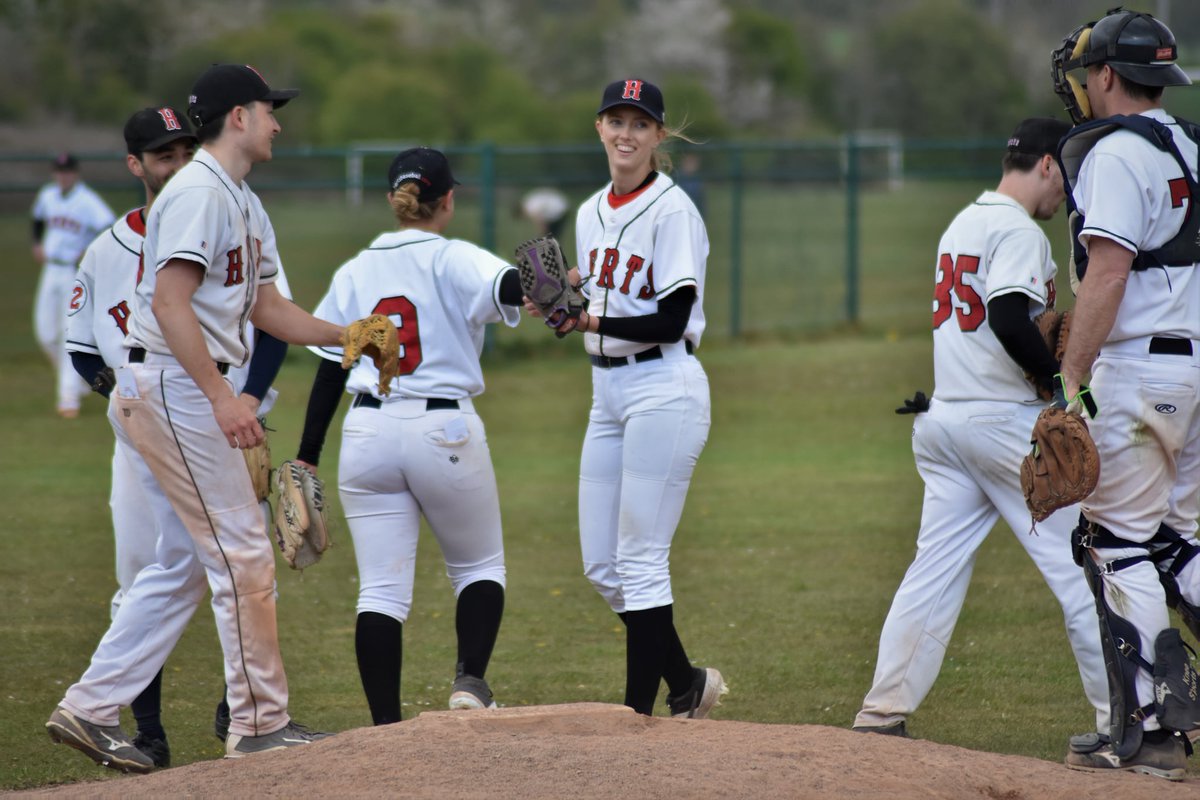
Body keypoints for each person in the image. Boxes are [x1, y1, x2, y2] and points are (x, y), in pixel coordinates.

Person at [46, 63, 347, 773]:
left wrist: (346, 334)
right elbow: (172, 304)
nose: (277, 121)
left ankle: (88, 707)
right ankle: (258, 724)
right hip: (173, 383)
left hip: (178, 383)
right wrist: (222, 397)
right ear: (237, 117)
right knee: (243, 553)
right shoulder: (197, 194)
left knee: (185, 561)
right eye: (268, 109)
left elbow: (267, 308)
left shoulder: (238, 197)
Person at [850, 118, 1109, 749]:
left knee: (933, 571)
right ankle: (1122, 723)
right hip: (1001, 424)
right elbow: (1005, 317)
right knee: (1083, 569)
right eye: (1065, 177)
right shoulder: (1018, 229)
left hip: (944, 423)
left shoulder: (963, 221)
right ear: (1047, 165)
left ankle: (882, 711)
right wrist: (1061, 384)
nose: (1066, 196)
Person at [293, 147, 522, 725]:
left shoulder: (356, 268)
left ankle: (386, 731)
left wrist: (307, 455)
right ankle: (470, 682)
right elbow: (515, 287)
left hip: (367, 429)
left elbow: (330, 363)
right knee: (478, 567)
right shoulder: (454, 257)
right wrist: (555, 282)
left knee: (380, 594)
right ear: (447, 200)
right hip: (443, 427)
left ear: (395, 202)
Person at [539, 78, 725, 718]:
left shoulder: (673, 211)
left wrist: (588, 322)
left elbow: (672, 317)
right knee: (603, 566)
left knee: (641, 559)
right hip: (607, 392)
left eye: (639, 124)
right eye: (616, 120)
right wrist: (563, 298)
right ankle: (687, 684)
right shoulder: (591, 212)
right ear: (599, 127)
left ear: (658, 136)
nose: (626, 133)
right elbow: (593, 291)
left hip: (663, 388)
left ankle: (637, 720)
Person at [1049, 8, 1200, 780]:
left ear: (1108, 75)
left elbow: (1108, 272)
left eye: (1088, 74)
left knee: (1116, 541)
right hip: (1197, 365)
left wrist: (1071, 377)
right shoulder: (1192, 143)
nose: (1083, 86)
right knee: (1180, 539)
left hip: (1142, 370)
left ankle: (1150, 733)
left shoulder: (1115, 152)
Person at [31, 151, 115, 418]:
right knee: (45, 333)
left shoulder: (87, 200)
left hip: (71, 271)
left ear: (75, 173)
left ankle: (68, 398)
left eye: (67, 171)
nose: (63, 175)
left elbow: (108, 226)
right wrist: (36, 243)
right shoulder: (48, 195)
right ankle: (78, 378)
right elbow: (37, 218)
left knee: (70, 333)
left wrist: (87, 251)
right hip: (49, 269)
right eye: (59, 171)